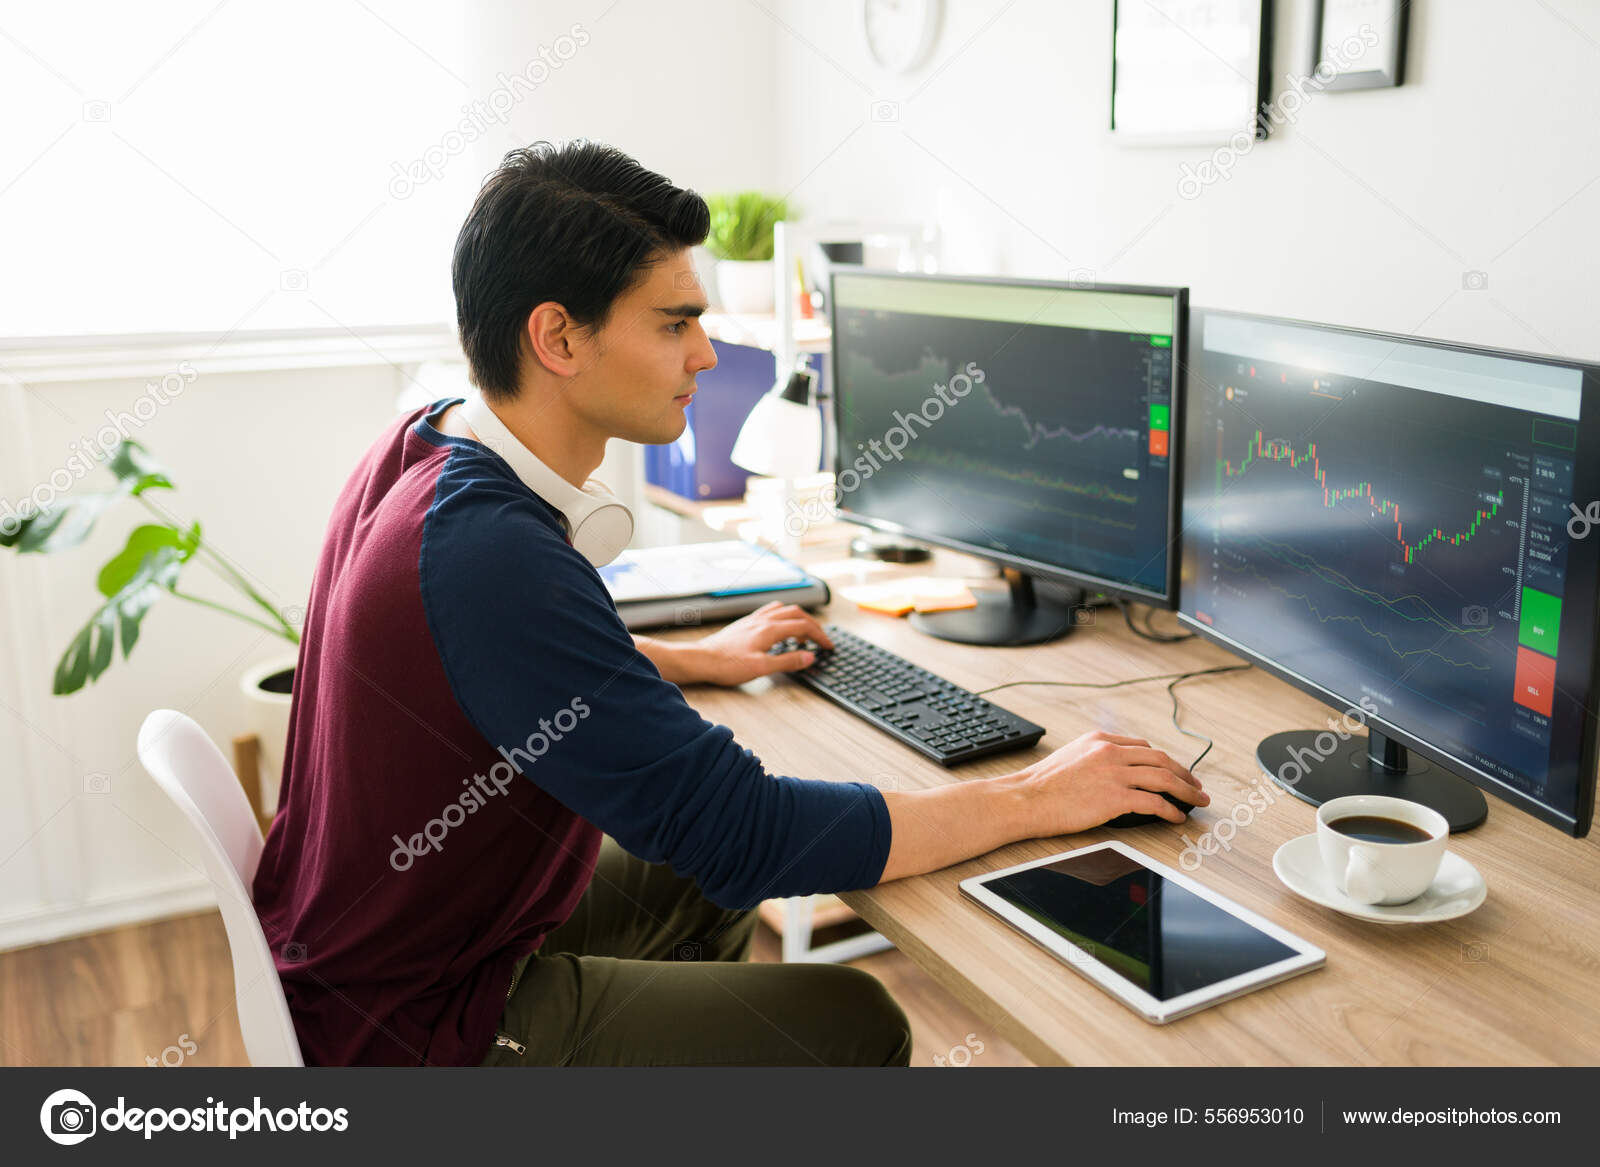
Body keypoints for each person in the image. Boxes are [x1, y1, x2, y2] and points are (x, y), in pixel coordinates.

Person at [250, 139, 1206, 1068]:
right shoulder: (491, 552)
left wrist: (697, 658)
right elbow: (746, 832)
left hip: (359, 950)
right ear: (557, 336)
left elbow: (491, 663)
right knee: (849, 1019)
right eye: (674, 323)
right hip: (413, 1030)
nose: (706, 354)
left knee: (695, 890)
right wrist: (1037, 795)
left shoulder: (425, 447)